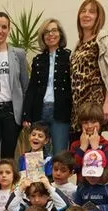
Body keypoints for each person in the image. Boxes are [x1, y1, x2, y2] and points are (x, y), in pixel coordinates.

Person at [69, 0, 108, 134]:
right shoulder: (78, 44)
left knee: (93, 144)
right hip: (78, 106)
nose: (86, 14)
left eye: (91, 12)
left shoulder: (102, 39)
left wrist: (107, 102)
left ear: (98, 17)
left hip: (94, 104)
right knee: (77, 144)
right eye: (83, 11)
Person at [0, 12, 29, 183]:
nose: (0, 30)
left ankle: (8, 192)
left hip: (11, 111)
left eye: (4, 27)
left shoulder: (18, 54)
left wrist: (26, 114)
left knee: (8, 156)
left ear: (9, 30)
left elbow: (25, 85)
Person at [23, 18, 72, 154]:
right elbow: (32, 88)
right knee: (37, 154)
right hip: (40, 110)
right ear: (42, 37)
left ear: (60, 34)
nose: (50, 34)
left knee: (59, 152)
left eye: (54, 30)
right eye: (46, 32)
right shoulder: (38, 60)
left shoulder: (69, 57)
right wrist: (26, 115)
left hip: (61, 111)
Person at [69, 103, 108, 173]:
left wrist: (95, 148)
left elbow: (106, 167)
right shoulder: (75, 145)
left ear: (100, 123)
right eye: (85, 122)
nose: (89, 126)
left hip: (101, 180)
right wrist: (82, 148)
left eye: (93, 122)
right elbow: (73, 169)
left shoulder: (107, 144)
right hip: (82, 180)